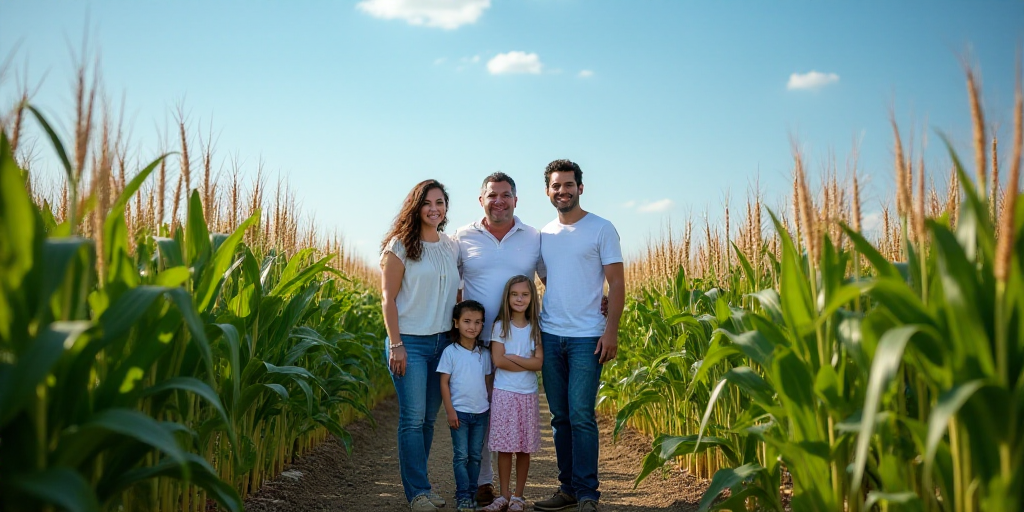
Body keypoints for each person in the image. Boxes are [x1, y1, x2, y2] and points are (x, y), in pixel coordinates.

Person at [533, 160, 625, 512]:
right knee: (560, 417)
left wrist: (610, 330)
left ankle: (588, 494)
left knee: (582, 414)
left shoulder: (601, 229)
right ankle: (567, 489)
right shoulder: (544, 234)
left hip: (588, 337)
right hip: (552, 335)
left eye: (569, 185)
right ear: (548, 191)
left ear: (580, 188)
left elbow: (616, 284)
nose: (563, 191)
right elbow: (547, 279)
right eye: (556, 186)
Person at [454, 172, 543, 506]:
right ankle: (483, 483)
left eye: (506, 195)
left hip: (516, 338)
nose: (499, 201)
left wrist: (599, 300)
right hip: (475, 340)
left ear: (516, 200)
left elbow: (552, 278)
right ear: (481, 200)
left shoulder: (533, 236)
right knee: (477, 409)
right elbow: (450, 281)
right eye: (492, 195)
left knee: (503, 411)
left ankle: (507, 491)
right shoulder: (463, 236)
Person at [381, 179, 460, 512]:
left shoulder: (451, 246)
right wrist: (396, 344)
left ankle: (423, 486)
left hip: (442, 343)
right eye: (428, 202)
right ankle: (416, 493)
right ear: (416, 206)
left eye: (440, 202)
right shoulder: (400, 246)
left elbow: (456, 295)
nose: (434, 208)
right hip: (409, 342)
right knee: (412, 419)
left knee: (429, 420)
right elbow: (387, 299)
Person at [483, 275, 544, 512]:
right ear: (507, 297)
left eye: (525, 294)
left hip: (527, 393)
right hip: (504, 393)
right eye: (515, 294)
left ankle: (519, 496)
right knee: (505, 447)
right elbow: (498, 360)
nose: (520, 299)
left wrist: (515, 358)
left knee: (523, 447)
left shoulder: (535, 327)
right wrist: (525, 361)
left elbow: (539, 364)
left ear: (532, 297)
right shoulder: (500, 326)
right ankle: (504, 495)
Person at [438, 300, 494, 512]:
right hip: (459, 412)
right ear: (456, 323)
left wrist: (490, 407)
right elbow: (443, 383)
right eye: (467, 321)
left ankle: (473, 494)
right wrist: (450, 410)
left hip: (481, 413)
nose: (472, 327)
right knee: (461, 455)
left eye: (478, 322)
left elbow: (488, 383)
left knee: (476, 455)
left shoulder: (484, 354)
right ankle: (462, 496)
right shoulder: (450, 353)